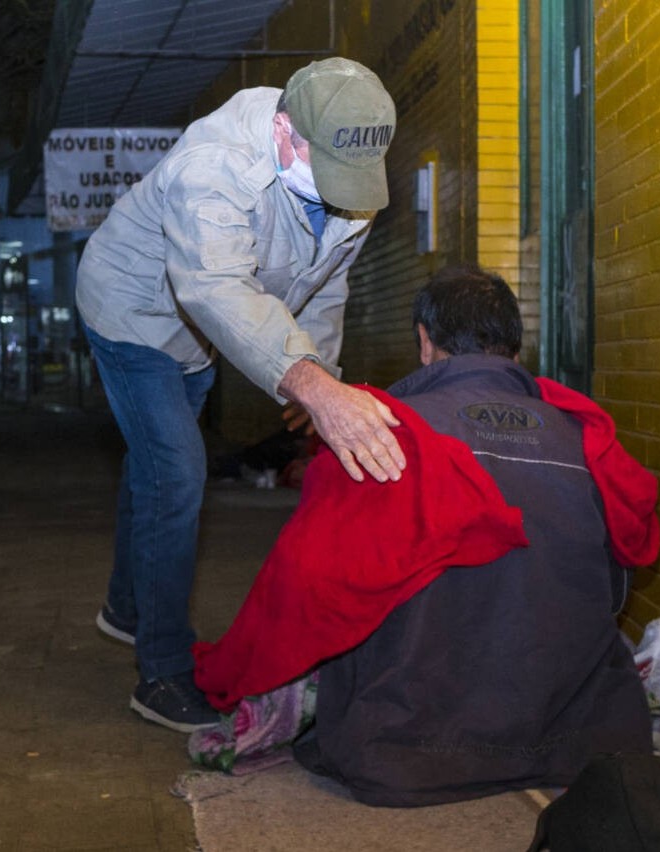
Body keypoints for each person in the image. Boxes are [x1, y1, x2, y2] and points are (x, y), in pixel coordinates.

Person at [189, 264, 658, 803]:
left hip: (406, 750)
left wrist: (234, 672)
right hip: (582, 744)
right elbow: (622, 574)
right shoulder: (586, 436)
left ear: (424, 342)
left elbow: (300, 596)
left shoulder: (376, 435)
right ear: (514, 347)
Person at [75, 57, 408, 732]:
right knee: (177, 472)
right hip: (133, 313)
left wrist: (321, 369)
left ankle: (125, 606)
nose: (346, 195)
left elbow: (327, 284)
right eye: (329, 173)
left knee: (156, 466)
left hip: (202, 337)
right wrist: (310, 384)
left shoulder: (349, 171)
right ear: (286, 133)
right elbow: (216, 288)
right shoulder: (214, 167)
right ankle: (162, 673)